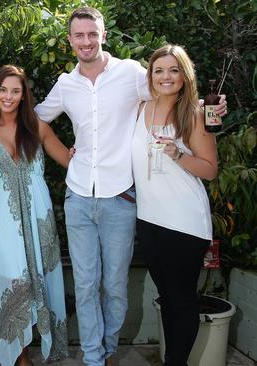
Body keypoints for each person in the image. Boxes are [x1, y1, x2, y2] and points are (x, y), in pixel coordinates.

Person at [32, 7, 226, 366]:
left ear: (103, 34)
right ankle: (93, 358)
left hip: (122, 197)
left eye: (93, 34)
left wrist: (208, 109)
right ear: (70, 40)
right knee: (87, 285)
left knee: (115, 289)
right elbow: (35, 120)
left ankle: (107, 351)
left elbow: (170, 92)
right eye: (79, 35)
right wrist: (64, 157)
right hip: (78, 196)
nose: (86, 41)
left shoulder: (131, 74)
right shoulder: (65, 84)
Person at [0, 65, 70, 365]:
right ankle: (18, 353)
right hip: (3, 215)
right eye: (3, 90)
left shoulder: (38, 126)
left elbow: (70, 162)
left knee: (42, 276)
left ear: (24, 96)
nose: (8, 97)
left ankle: (39, 345)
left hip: (38, 212)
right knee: (12, 277)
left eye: (15, 91)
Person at [132, 44, 217, 366]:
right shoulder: (140, 108)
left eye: (173, 70)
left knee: (181, 300)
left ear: (184, 74)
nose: (165, 76)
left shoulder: (193, 113)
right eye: (159, 70)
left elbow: (210, 169)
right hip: (149, 219)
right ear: (149, 75)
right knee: (166, 298)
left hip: (184, 221)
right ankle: (173, 360)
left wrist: (178, 155)